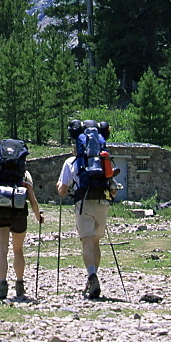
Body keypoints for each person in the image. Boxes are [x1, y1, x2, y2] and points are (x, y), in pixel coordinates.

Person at [56, 119, 115, 299]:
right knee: (96, 242)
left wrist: (59, 184)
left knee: (87, 242)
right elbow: (113, 187)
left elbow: (63, 191)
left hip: (83, 204)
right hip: (102, 203)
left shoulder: (72, 162)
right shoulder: (103, 158)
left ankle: (91, 275)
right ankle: (92, 279)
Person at [0, 166, 44, 300]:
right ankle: (19, 285)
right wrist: (38, 216)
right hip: (19, 214)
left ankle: (2, 285)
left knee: (2, 250)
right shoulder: (24, 174)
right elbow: (32, 199)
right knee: (18, 249)